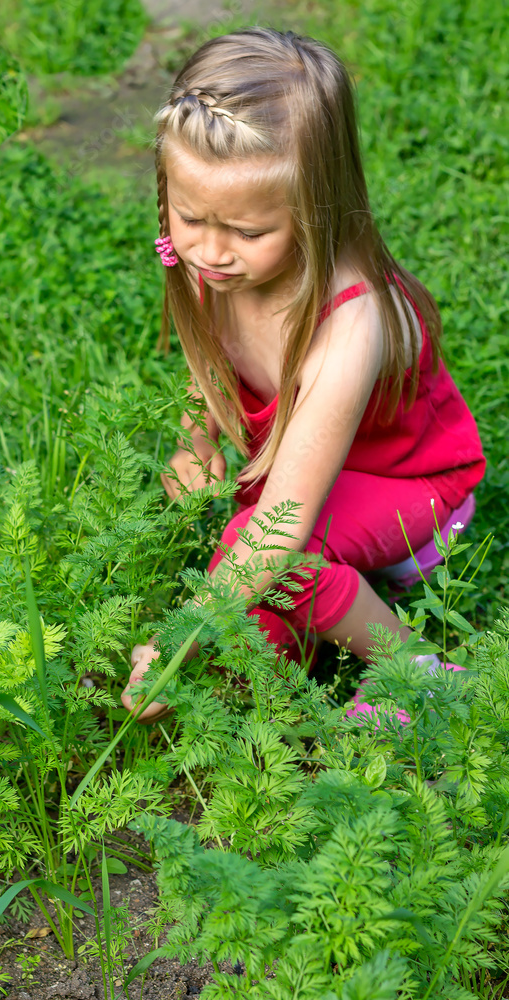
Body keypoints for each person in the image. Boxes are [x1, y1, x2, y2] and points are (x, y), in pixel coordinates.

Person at [121, 27, 485, 723]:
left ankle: (416, 671)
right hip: (306, 483)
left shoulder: (351, 323)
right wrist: (192, 442)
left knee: (266, 553)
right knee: (251, 628)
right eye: (189, 216)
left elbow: (278, 530)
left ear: (316, 210)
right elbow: (211, 368)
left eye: (247, 232)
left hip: (413, 489)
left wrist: (178, 641)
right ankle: (281, 660)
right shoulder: (216, 262)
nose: (209, 251)